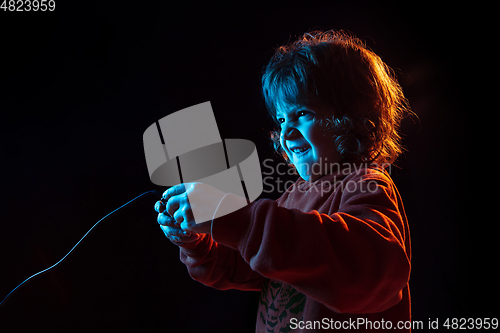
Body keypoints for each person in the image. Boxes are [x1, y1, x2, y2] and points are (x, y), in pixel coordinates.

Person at [154, 30, 412, 332]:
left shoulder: (367, 184)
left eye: (302, 113)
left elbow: (369, 269)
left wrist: (237, 219)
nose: (286, 133)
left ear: (351, 117)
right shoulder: (292, 198)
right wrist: (199, 240)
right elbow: (250, 263)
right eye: (281, 119)